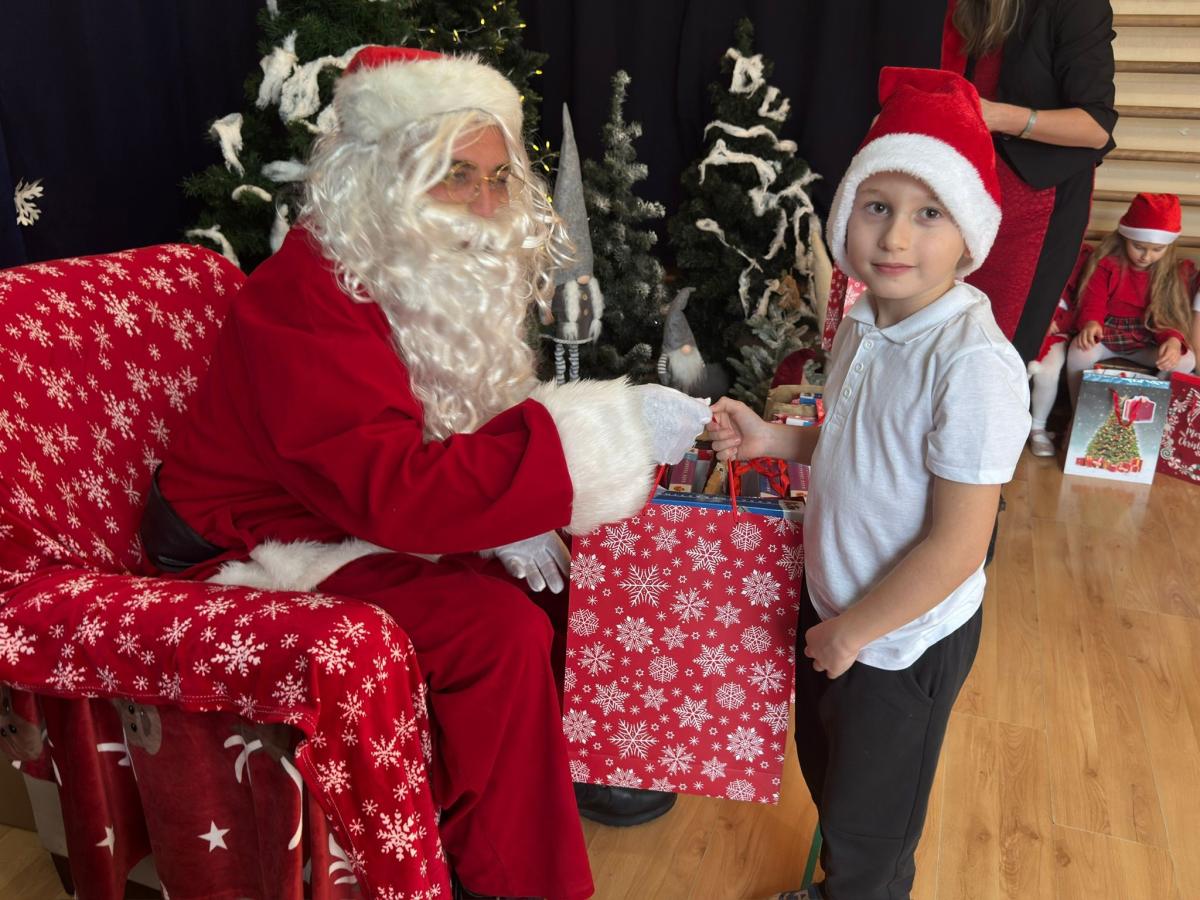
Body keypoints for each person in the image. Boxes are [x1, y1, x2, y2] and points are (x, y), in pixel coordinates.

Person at [140, 46, 711, 900]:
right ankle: (510, 878)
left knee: (566, 571)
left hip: (342, 503)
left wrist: (529, 500)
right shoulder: (310, 292)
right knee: (495, 631)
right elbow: (391, 490)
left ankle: (563, 760)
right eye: (456, 177)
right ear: (384, 176)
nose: (485, 205)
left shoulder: (427, 269)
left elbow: (456, 419)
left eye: (497, 178)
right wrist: (602, 436)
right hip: (255, 535)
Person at [711, 68, 1030, 900]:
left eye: (929, 214)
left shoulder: (971, 364)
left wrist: (856, 632)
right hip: (839, 607)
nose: (895, 238)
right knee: (830, 770)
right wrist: (774, 439)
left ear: (970, 234)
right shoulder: (866, 320)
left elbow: (958, 546)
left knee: (872, 824)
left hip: (901, 638)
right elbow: (857, 443)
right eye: (877, 206)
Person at [942, 0, 1117, 362]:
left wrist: (998, 116)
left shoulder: (1075, 7)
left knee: (994, 351)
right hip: (963, 188)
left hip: (1033, 199)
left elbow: (1095, 127)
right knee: (940, 339)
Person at [1065, 192, 1196, 404]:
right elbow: (1093, 300)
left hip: (1147, 340)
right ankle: (1078, 411)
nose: (1146, 256)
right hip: (1107, 336)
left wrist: (1172, 340)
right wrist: (1091, 323)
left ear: (1168, 246)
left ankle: (1148, 401)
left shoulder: (1170, 273)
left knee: (1186, 360)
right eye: (1138, 247)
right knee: (1078, 353)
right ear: (1125, 238)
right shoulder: (1107, 265)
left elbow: (1168, 315)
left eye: (1157, 249)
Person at [1025, 242, 1092, 456]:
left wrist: (1057, 321)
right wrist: (1038, 321)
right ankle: (1003, 423)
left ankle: (1038, 427)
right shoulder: (1029, 247)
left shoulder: (1081, 257)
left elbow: (1085, 303)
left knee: (1048, 371)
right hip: (1023, 328)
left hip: (1057, 334)